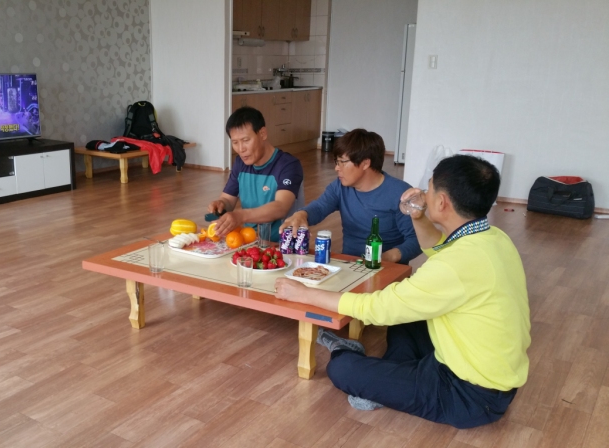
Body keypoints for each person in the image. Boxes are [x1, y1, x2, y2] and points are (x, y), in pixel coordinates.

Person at [274, 155, 530, 429]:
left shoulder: (455, 265)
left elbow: (380, 308)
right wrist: (417, 217)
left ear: (442, 202)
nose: (424, 193)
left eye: (429, 187)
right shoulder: (493, 238)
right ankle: (390, 381)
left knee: (342, 369)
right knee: (406, 321)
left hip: (471, 395)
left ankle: (376, 376)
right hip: (476, 365)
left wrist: (305, 294)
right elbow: (440, 248)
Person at [280, 129, 420, 264]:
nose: (336, 168)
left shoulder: (400, 193)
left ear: (365, 163)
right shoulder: (340, 186)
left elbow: (417, 240)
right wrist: (302, 214)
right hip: (350, 265)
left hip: (387, 269)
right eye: (337, 162)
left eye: (342, 162)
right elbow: (320, 207)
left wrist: (387, 257)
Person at [208, 106, 304, 242]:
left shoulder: (288, 165)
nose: (241, 149)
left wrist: (241, 216)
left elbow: (281, 207)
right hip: (249, 241)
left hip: (283, 245)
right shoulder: (240, 163)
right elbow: (228, 200)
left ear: (262, 134)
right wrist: (221, 204)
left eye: (246, 140)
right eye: (235, 142)